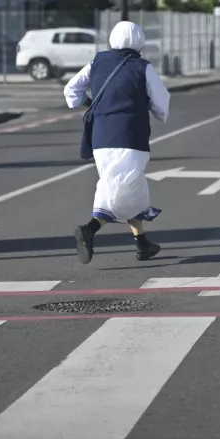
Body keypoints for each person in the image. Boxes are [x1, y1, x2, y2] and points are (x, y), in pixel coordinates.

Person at [64, 21, 170, 264]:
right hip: (130, 137)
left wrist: (92, 105)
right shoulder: (142, 67)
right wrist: (153, 111)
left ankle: (142, 243)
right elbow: (162, 102)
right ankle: (90, 228)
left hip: (101, 138)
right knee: (123, 189)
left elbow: (71, 90)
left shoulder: (97, 62)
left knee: (128, 187)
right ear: (140, 41)